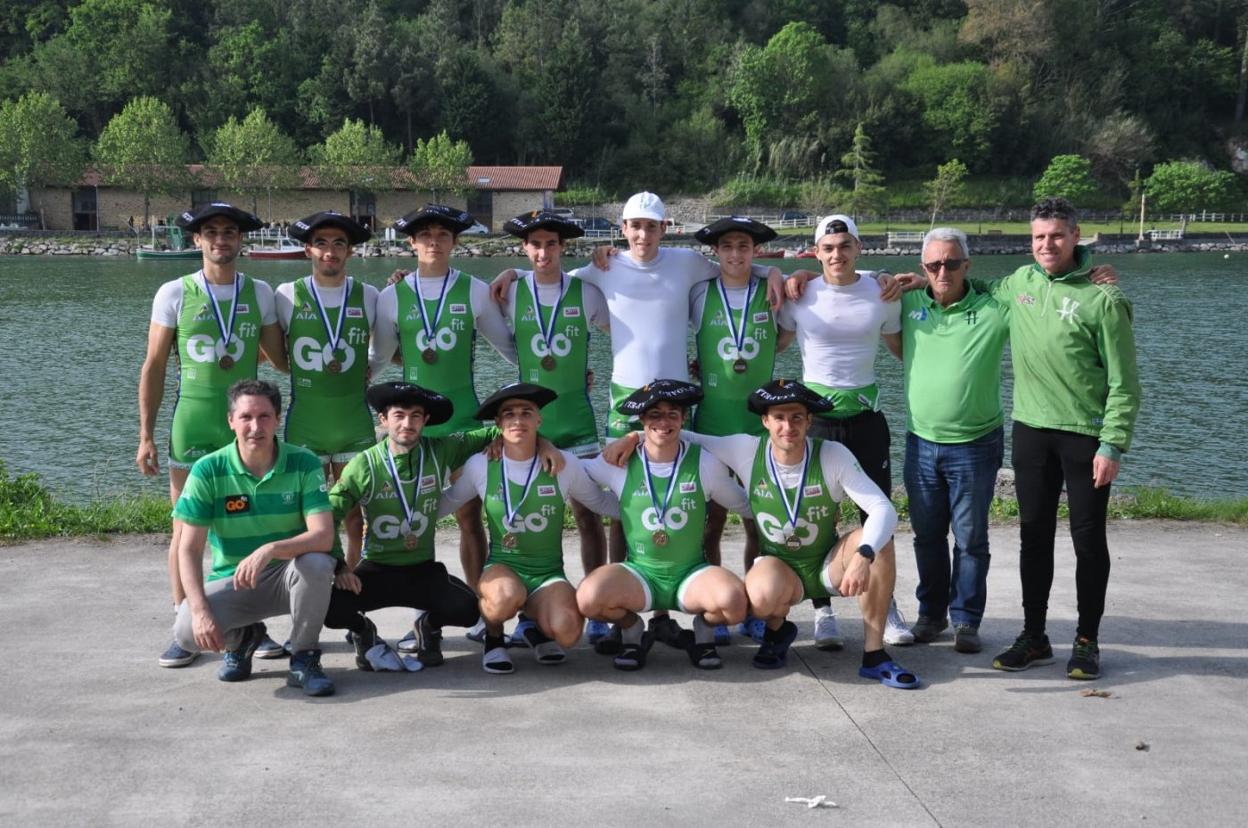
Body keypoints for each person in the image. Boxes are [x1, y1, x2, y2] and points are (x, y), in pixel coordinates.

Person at [491, 193, 783, 654]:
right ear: (621, 229)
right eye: (634, 227)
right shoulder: (600, 270)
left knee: (697, 507)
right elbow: (550, 280)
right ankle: (608, 612)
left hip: (675, 403)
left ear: (665, 228)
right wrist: (512, 274)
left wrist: (781, 272)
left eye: (651, 226)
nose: (642, 235)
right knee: (619, 510)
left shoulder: (687, 261)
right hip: (624, 404)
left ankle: (676, 612)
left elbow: (737, 270)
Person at [604, 381, 915, 685]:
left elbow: (883, 508)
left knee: (879, 541)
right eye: (779, 418)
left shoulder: (832, 454)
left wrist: (863, 555)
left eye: (796, 417)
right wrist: (631, 436)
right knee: (758, 598)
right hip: (779, 566)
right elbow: (677, 434)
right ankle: (777, 632)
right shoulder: (745, 449)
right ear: (765, 421)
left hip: (826, 562)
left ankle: (874, 655)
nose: (787, 427)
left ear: (810, 421)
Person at [983, 199, 1141, 679]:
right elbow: (969, 290)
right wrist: (912, 280)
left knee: (1088, 540)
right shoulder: (1019, 284)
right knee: (1034, 537)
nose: (1045, 245)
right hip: (1031, 430)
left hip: (1085, 435)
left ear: (1076, 236)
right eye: (1037, 237)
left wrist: (1112, 444)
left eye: (1055, 236)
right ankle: (1035, 637)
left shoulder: (1105, 299)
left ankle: (1087, 640)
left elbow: (1125, 382)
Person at [138, 201, 289, 668]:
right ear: (197, 240)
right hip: (194, 421)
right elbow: (156, 366)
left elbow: (281, 359)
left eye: (229, 232)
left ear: (241, 240)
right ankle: (182, 627)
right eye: (211, 232)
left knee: (251, 520)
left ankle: (249, 626)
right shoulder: (174, 291)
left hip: (244, 424)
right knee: (186, 529)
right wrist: (145, 434)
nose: (221, 240)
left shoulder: (259, 292)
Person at [370, 204, 519, 648]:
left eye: (443, 234)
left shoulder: (474, 292)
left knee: (472, 521)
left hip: (464, 421)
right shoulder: (390, 297)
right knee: (417, 518)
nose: (434, 240)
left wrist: (546, 384)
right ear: (411, 243)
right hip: (416, 424)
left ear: (455, 242)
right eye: (424, 234)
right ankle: (425, 616)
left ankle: (480, 609)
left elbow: (511, 349)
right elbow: (379, 358)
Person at [320, 381, 524, 670]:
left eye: (416, 416)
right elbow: (328, 515)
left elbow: (499, 430)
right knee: (327, 608)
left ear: (426, 420)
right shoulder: (364, 465)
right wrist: (340, 565)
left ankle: (428, 625)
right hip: (377, 567)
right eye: (399, 415)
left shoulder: (441, 449)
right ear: (383, 419)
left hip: (422, 569)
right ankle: (363, 631)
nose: (407, 423)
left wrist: (542, 444)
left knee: (468, 609)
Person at [780, 214, 913, 650]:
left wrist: (913, 286)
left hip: (865, 421)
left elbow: (903, 350)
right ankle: (823, 611)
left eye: (845, 245)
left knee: (876, 515)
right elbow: (774, 343)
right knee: (819, 517)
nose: (837, 254)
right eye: (828, 248)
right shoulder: (799, 294)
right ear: (815, 252)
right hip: (815, 421)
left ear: (858, 247)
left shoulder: (882, 292)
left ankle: (885, 605)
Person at [170, 379, 337, 697]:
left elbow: (323, 536)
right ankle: (243, 638)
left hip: (288, 576)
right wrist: (201, 611)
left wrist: (270, 549)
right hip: (234, 579)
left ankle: (304, 658)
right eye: (245, 417)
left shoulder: (303, 462)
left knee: (316, 563)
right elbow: (189, 551)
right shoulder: (208, 470)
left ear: (277, 419)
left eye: (264, 416)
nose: (255, 426)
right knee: (186, 631)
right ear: (231, 421)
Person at [439, 383, 620, 674]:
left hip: (548, 574)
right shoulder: (481, 464)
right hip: (503, 566)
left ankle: (534, 630)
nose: (518, 420)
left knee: (568, 632)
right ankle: (494, 639)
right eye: (508, 414)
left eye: (526, 413)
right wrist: (407, 515)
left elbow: (601, 503)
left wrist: (644, 506)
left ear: (539, 420)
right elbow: (446, 502)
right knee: (503, 600)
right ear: (498, 424)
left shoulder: (565, 464)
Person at [579, 380, 751, 671]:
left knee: (735, 605)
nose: (664, 421)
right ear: (642, 420)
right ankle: (633, 631)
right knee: (588, 599)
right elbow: (572, 474)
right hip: (640, 573)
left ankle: (703, 632)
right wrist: (543, 446)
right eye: (655, 414)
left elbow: (744, 505)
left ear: (683, 420)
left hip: (690, 573)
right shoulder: (621, 461)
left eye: (673, 413)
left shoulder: (705, 463)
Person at [499, 211, 613, 644]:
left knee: (588, 517)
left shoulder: (588, 294)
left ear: (562, 248)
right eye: (535, 245)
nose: (543, 252)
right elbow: (502, 343)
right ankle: (530, 610)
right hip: (530, 425)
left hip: (578, 421)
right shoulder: (509, 292)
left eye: (551, 243)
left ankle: (597, 606)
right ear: (524, 249)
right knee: (530, 518)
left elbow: (621, 332)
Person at [898, 228, 1010, 654]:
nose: (942, 271)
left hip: (976, 444)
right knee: (926, 535)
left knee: (970, 537)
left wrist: (1088, 265)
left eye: (951, 263)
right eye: (933, 265)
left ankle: (966, 620)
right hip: (921, 442)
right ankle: (931, 615)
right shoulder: (908, 302)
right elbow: (855, 276)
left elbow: (1035, 281)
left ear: (968, 265)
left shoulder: (994, 309)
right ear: (922, 268)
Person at [688, 216, 795, 642]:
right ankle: (717, 603)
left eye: (744, 247)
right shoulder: (699, 294)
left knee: (759, 522)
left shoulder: (774, 291)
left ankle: (756, 602)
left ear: (756, 251)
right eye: (728, 246)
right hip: (712, 421)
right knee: (712, 523)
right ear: (717, 251)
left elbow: (784, 337)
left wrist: (778, 272)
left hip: (757, 424)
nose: (736, 254)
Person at [277, 210, 377, 568]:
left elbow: (387, 348)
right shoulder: (286, 295)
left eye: (339, 244)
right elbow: (275, 357)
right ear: (308, 250)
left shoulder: (370, 296)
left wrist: (370, 369)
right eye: (321, 243)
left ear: (349, 251)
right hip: (306, 421)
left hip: (355, 421)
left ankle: (352, 587)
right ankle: (316, 584)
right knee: (309, 515)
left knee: (355, 517)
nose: (330, 251)